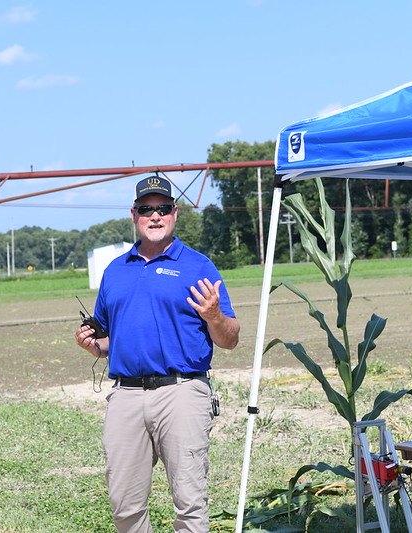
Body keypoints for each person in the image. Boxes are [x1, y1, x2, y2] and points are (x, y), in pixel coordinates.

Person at [75, 175, 240, 533]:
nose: (155, 216)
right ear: (133, 215)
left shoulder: (198, 267)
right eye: (146, 209)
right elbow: (109, 340)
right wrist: (94, 345)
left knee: (190, 503)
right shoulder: (115, 271)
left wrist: (214, 316)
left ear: (175, 214)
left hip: (181, 392)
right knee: (124, 504)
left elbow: (230, 339)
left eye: (162, 208)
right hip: (126, 395)